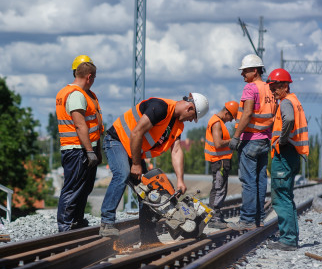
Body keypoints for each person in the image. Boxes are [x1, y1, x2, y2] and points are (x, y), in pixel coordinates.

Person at [99, 93, 209, 237]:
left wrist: (180, 180)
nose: (190, 121)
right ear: (189, 108)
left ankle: (148, 236)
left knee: (151, 191)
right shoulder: (160, 107)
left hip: (134, 151)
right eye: (192, 117)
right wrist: (136, 164)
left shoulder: (177, 125)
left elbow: (176, 151)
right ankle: (107, 223)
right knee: (122, 174)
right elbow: (136, 133)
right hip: (116, 141)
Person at [55, 55, 104, 232]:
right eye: (94, 78)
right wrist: (90, 151)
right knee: (73, 188)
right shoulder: (76, 95)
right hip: (77, 149)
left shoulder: (82, 94)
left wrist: (96, 151)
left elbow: (94, 125)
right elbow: (79, 124)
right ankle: (66, 226)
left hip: (84, 148)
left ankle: (76, 220)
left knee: (84, 187)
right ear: (89, 76)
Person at [228, 54, 276, 231]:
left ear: (255, 71)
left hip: (250, 140)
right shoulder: (270, 89)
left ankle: (247, 220)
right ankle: (259, 219)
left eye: (245, 71)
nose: (242, 75)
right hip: (265, 140)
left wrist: (236, 136)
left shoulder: (250, 88)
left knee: (248, 181)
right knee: (261, 181)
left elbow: (247, 114)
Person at [265, 68, 308, 251]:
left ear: (284, 86)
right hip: (292, 153)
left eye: (275, 88)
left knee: (281, 196)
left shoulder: (285, 103)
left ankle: (288, 239)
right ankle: (290, 237)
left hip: (285, 153)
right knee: (286, 196)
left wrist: (281, 141)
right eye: (271, 88)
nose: (273, 91)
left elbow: (288, 120)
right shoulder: (294, 100)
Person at [204, 100, 238, 227]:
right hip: (219, 161)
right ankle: (214, 217)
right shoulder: (217, 123)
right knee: (219, 189)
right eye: (231, 117)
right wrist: (233, 141)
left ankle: (216, 215)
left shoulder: (218, 122)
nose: (230, 120)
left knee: (219, 188)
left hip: (220, 161)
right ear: (226, 112)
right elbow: (218, 144)